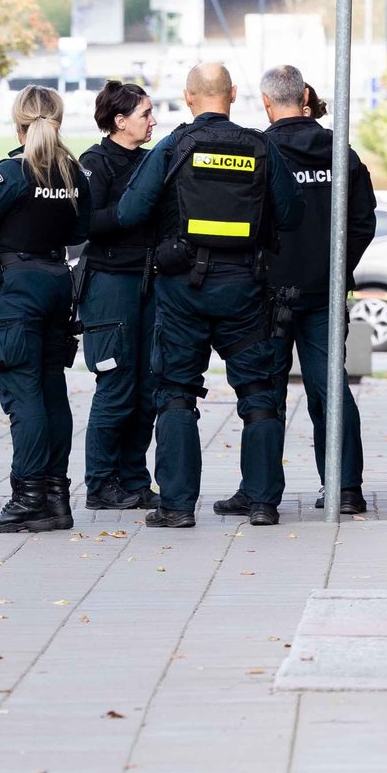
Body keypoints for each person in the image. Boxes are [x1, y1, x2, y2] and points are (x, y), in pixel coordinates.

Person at [116, 62, 304, 528]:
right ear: (234, 94)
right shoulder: (261, 147)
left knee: (176, 393)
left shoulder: (174, 146)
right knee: (259, 393)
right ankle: (262, 502)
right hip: (244, 289)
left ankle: (177, 507)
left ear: (188, 97)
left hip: (182, 291)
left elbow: (130, 210)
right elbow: (292, 213)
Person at [213, 66, 376, 518]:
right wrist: (337, 267)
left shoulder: (260, 154)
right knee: (331, 388)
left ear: (266, 103)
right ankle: (345, 488)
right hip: (325, 290)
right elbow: (363, 222)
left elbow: (239, 223)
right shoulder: (340, 153)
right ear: (303, 95)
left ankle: (259, 492)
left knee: (263, 392)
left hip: (268, 294)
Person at [0, 85, 92, 533]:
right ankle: (56, 497)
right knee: (52, 389)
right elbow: (84, 226)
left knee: (25, 393)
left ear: (18, 121)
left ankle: (29, 496)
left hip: (18, 288)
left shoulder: (10, 172)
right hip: (59, 281)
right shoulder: (73, 171)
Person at [78, 80, 162, 511]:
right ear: (119, 120)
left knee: (148, 387)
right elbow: (83, 224)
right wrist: (130, 212)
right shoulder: (95, 162)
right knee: (116, 385)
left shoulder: (152, 161)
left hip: (149, 283)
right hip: (111, 284)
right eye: (145, 113)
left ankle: (133, 478)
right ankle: (100, 483)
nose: (153, 121)